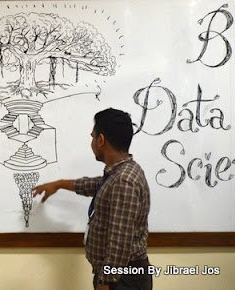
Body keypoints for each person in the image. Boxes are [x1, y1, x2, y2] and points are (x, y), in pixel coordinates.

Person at [32, 108, 151, 290]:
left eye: (93, 137)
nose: (92, 142)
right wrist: (59, 184)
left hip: (121, 279)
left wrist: (105, 282)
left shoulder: (123, 181)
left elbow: (120, 242)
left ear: (101, 140)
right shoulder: (119, 173)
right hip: (120, 276)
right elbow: (94, 185)